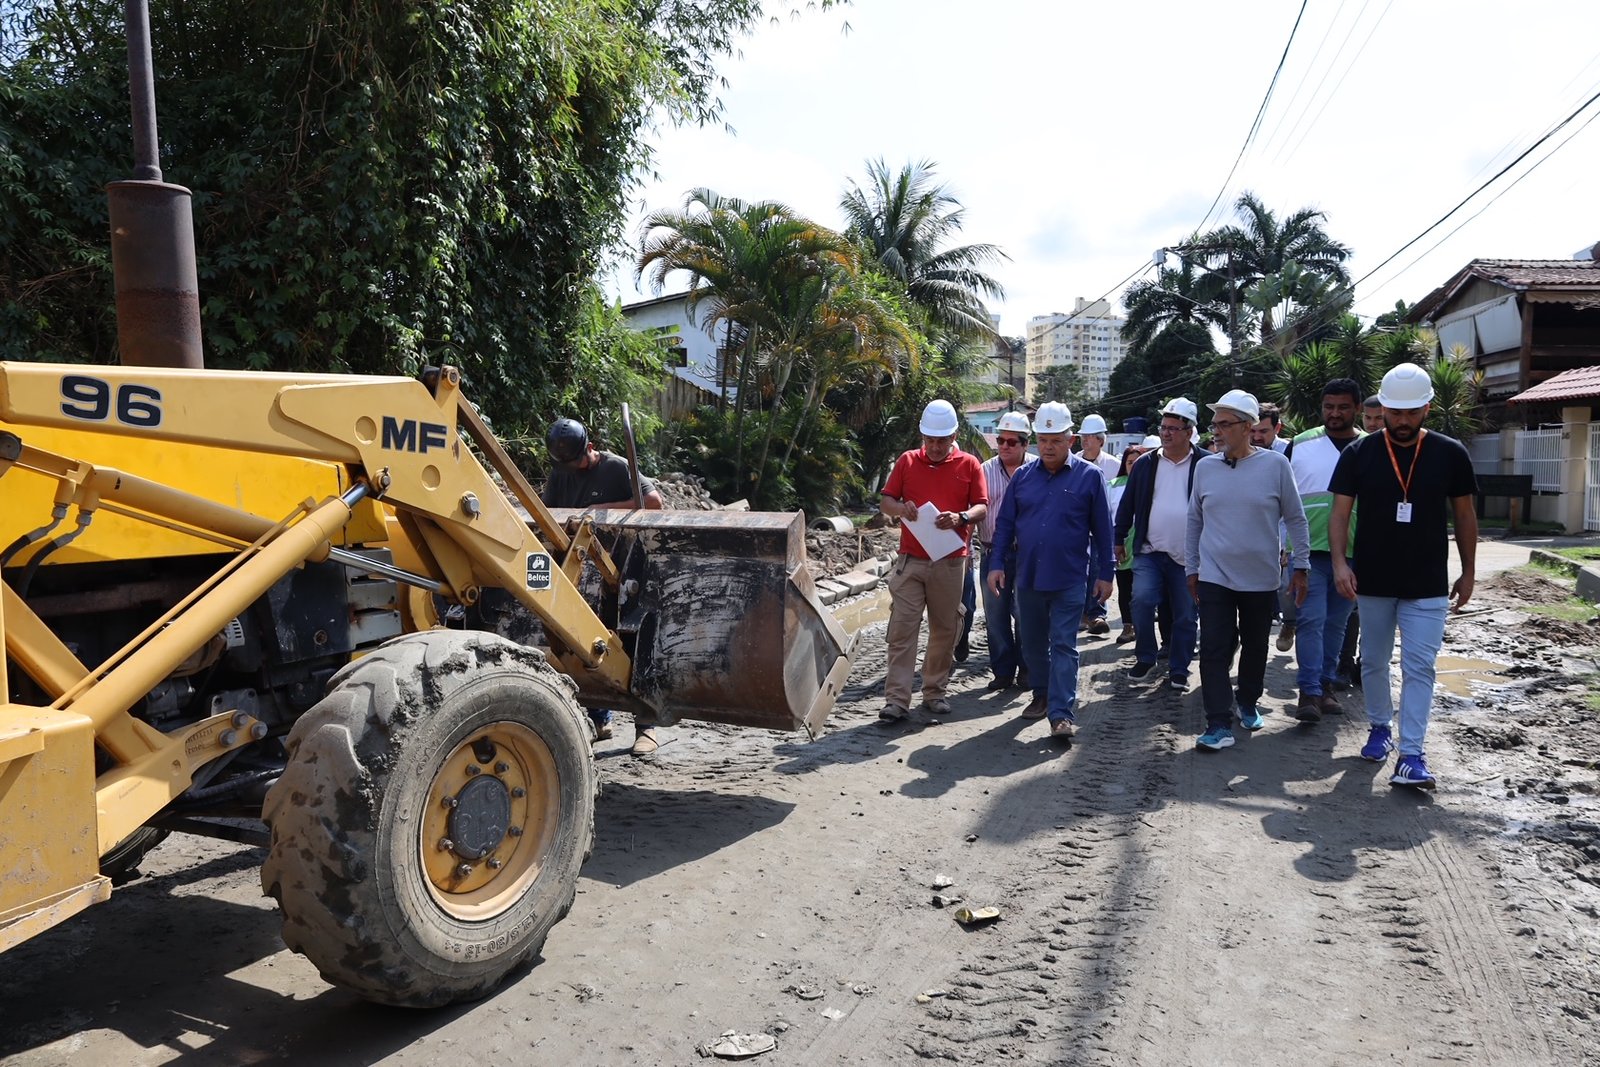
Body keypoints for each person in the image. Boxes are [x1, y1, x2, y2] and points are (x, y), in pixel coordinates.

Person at [1330, 363, 1477, 789]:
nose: (1402, 421)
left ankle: (1412, 754)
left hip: (1428, 581)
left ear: (1427, 408)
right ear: (1383, 409)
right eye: (1395, 412)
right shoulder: (1359, 453)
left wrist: (1468, 572)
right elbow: (1340, 513)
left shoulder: (1451, 453)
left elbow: (1465, 515)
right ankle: (1379, 726)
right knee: (1373, 662)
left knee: (1420, 668)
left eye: (1412, 412)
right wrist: (1340, 563)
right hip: (1372, 579)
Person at [1186, 390, 1310, 751]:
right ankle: (1218, 723)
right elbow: (1194, 520)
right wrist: (1192, 567)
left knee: (1256, 645)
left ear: (1247, 426)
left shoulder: (1275, 466)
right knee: (1212, 647)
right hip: (1214, 575)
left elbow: (1296, 519)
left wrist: (1300, 565)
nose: (1217, 431)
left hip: (1260, 577)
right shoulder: (1205, 467)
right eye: (1215, 424)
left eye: (1224, 424)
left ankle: (1248, 700)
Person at [988, 402, 1114, 740]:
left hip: (1070, 577)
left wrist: (1106, 574)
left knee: (1063, 644)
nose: (1048, 447)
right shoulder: (1023, 478)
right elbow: (1004, 525)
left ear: (1070, 439)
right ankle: (1041, 694)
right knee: (1031, 643)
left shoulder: (1090, 477)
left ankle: (1061, 713)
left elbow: (1104, 531)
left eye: (1055, 440)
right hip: (1028, 577)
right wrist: (996, 564)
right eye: (1043, 440)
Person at [542, 417, 665, 753]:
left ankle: (646, 727)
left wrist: (601, 510)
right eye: (565, 464)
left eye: (577, 461)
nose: (572, 469)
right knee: (583, 641)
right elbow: (549, 512)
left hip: (627, 569)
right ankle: (599, 718)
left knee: (633, 642)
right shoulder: (561, 473)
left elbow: (654, 504)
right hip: (587, 572)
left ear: (591, 449)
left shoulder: (615, 467)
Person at [879, 399, 988, 721]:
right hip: (911, 561)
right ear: (922, 437)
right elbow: (887, 501)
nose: (936, 447)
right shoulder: (907, 461)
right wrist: (901, 509)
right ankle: (896, 700)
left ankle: (934, 691)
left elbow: (982, 506)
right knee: (902, 629)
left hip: (951, 561)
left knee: (944, 629)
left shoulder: (969, 464)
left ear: (954, 435)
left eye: (942, 440)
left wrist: (961, 517)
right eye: (930, 440)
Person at [1283, 378, 1365, 722]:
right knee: (1311, 620)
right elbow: (1282, 498)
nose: (1335, 413)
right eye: (1329, 407)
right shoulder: (1300, 444)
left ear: (1356, 408)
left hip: (1353, 553)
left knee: (1336, 624)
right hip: (1308, 551)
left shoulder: (1370, 446)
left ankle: (1326, 684)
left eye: (1343, 407)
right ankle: (1309, 692)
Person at [1115, 398, 1204, 693]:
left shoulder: (1205, 464)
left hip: (1189, 557)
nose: (1166, 433)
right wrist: (1119, 538)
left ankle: (1179, 669)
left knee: (1186, 614)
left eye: (1173, 428)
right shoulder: (1145, 463)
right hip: (1150, 551)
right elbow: (1127, 505)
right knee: (1140, 601)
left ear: (1189, 432)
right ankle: (1146, 657)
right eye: (1164, 427)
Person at [977, 411, 1034, 691]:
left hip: (1027, 555)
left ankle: (1027, 669)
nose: (1004, 446)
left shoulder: (1038, 469)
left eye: (1012, 442)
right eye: (1001, 440)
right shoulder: (983, 471)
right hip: (991, 553)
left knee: (1026, 615)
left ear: (1025, 443)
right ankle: (1002, 672)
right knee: (995, 615)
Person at [1076, 413, 1119, 636]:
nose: (1086, 441)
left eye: (1091, 437)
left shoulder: (1114, 466)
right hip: (1079, 528)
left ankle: (1097, 614)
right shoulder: (1073, 463)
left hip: (1103, 527)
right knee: (1079, 571)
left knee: (1099, 570)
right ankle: (1083, 613)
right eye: (1083, 437)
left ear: (1101, 440)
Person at [1107, 437, 1150, 645]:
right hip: (1123, 543)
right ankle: (1128, 626)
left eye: (1138, 461)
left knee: (1143, 592)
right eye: (1130, 462)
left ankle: (1144, 629)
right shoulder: (1113, 486)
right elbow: (1108, 515)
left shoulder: (1151, 483)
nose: (1133, 466)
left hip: (1146, 545)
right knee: (1125, 588)